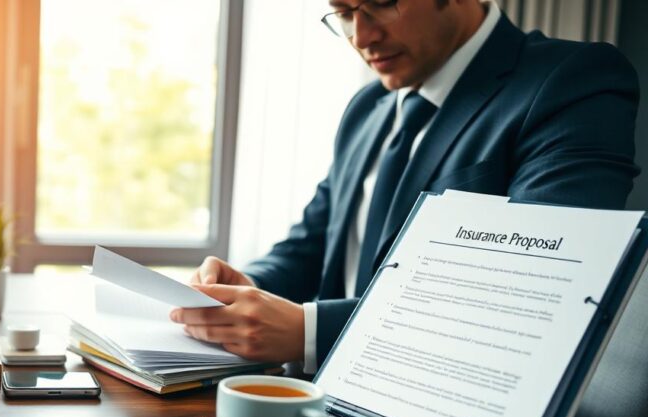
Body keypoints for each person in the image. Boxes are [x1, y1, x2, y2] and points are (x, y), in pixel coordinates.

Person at [170, 0, 640, 372]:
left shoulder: (571, 83)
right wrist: (245, 289)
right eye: (344, 12)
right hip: (316, 408)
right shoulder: (367, 109)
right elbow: (312, 246)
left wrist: (310, 331)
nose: (361, 36)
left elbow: (532, 289)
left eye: (381, 3)